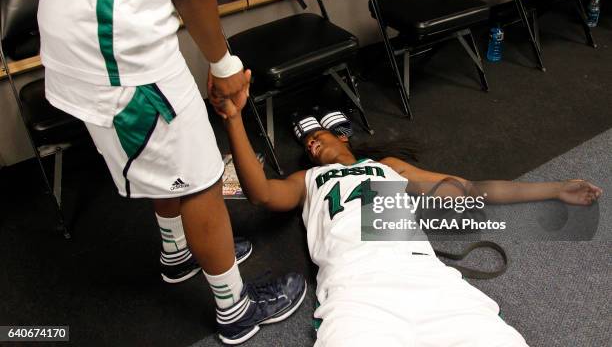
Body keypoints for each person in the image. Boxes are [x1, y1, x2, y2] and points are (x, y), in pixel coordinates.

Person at [37, 0, 306, 344]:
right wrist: (223, 63)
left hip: (85, 34)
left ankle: (177, 252)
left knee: (168, 156)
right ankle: (236, 310)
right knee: (201, 176)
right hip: (114, 49)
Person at [214, 96, 602, 346]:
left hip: (428, 281)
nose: (312, 143)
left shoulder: (387, 168)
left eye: (319, 135)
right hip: (356, 289)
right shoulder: (308, 180)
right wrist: (233, 119)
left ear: (344, 138)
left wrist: (554, 189)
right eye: (307, 142)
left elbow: (469, 188)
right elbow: (262, 193)